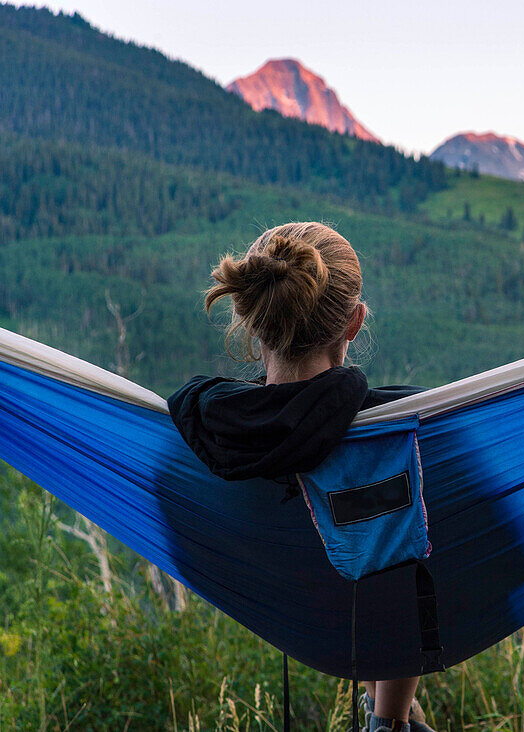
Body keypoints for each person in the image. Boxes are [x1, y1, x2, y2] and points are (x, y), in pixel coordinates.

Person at [167, 222, 434, 732]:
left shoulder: (201, 426)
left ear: (251, 319)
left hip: (291, 610)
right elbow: (398, 560)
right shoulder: (408, 433)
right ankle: (389, 719)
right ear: (354, 323)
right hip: (371, 623)